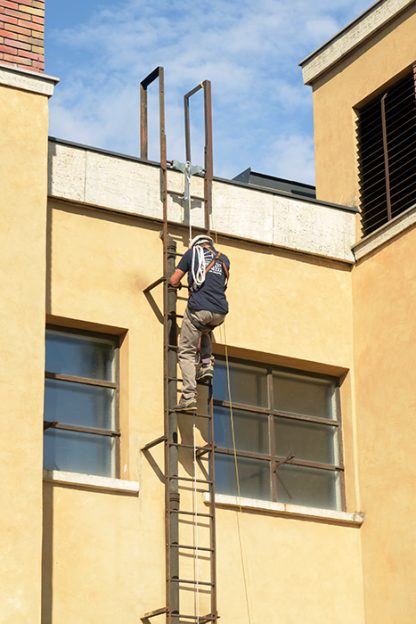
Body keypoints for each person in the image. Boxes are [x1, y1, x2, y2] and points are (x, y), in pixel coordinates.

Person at [169, 234, 230, 411]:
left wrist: (176, 285)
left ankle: (188, 397)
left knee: (186, 352)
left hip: (199, 309)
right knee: (205, 328)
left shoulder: (191, 254)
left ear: (196, 244)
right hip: (220, 312)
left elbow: (174, 280)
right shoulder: (224, 259)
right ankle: (206, 364)